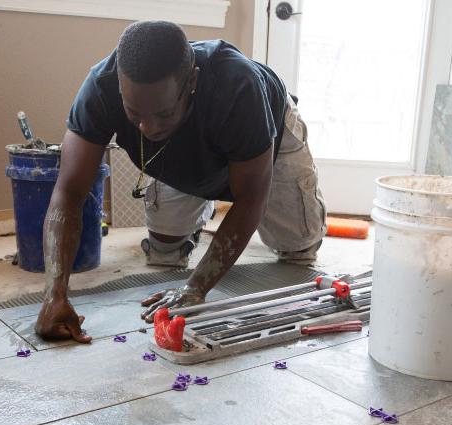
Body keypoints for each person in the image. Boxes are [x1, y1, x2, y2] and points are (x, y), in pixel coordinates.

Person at [35, 20, 326, 342]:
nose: (146, 128)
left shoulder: (239, 87)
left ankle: (285, 218)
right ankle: (204, 203)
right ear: (118, 84)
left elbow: (251, 198)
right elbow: (70, 190)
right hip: (182, 151)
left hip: (267, 136)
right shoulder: (100, 85)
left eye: (162, 114)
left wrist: (195, 288)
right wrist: (54, 295)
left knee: (297, 248)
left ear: (192, 82)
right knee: (165, 251)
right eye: (134, 114)